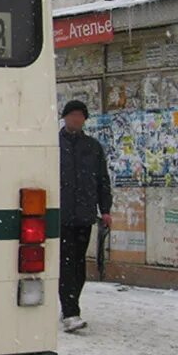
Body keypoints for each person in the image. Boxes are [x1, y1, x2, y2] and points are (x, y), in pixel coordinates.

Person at [58, 100, 112, 333]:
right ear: (65, 117)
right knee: (65, 263)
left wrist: (106, 209)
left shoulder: (92, 147)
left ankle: (71, 305)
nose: (77, 120)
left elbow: (102, 180)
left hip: (84, 215)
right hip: (59, 216)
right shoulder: (53, 145)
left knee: (79, 265)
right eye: (73, 115)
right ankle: (71, 312)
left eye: (81, 116)